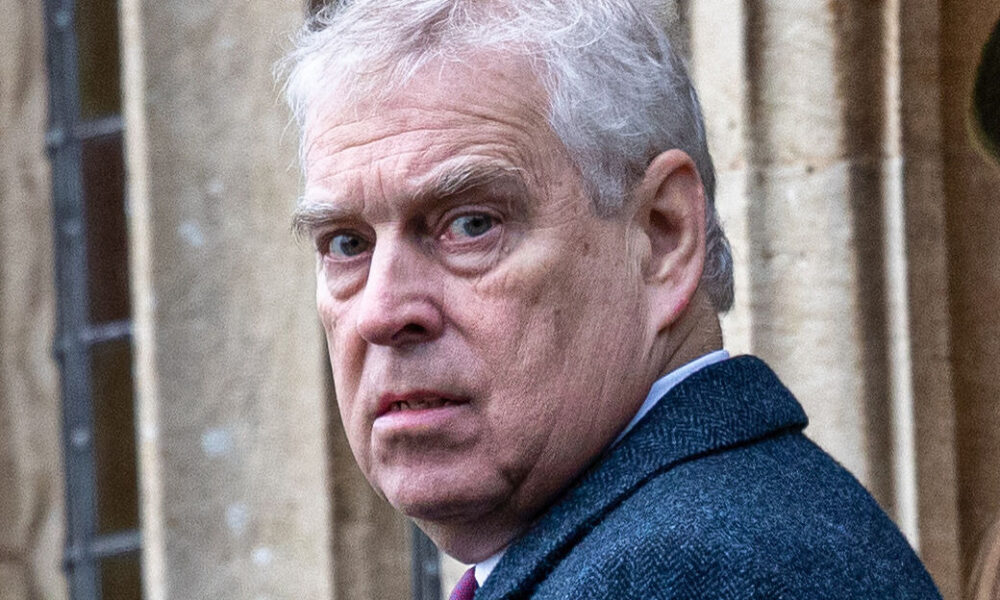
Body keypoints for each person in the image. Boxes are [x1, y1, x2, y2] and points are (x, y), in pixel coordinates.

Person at [282, 1, 941, 597]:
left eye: (472, 225)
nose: (382, 313)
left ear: (662, 236)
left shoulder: (691, 571)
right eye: (346, 244)